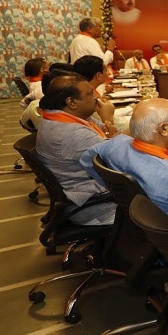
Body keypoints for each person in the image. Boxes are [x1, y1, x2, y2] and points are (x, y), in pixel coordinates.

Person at [81, 98, 168, 230]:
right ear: (163, 128)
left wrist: (113, 186)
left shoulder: (115, 144)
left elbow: (87, 158)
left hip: (140, 224)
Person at [36, 75, 118, 225]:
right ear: (72, 102)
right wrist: (108, 119)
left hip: (83, 195)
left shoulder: (62, 116)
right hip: (95, 205)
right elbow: (118, 160)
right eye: (90, 94)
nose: (95, 97)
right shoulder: (74, 134)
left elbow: (111, 135)